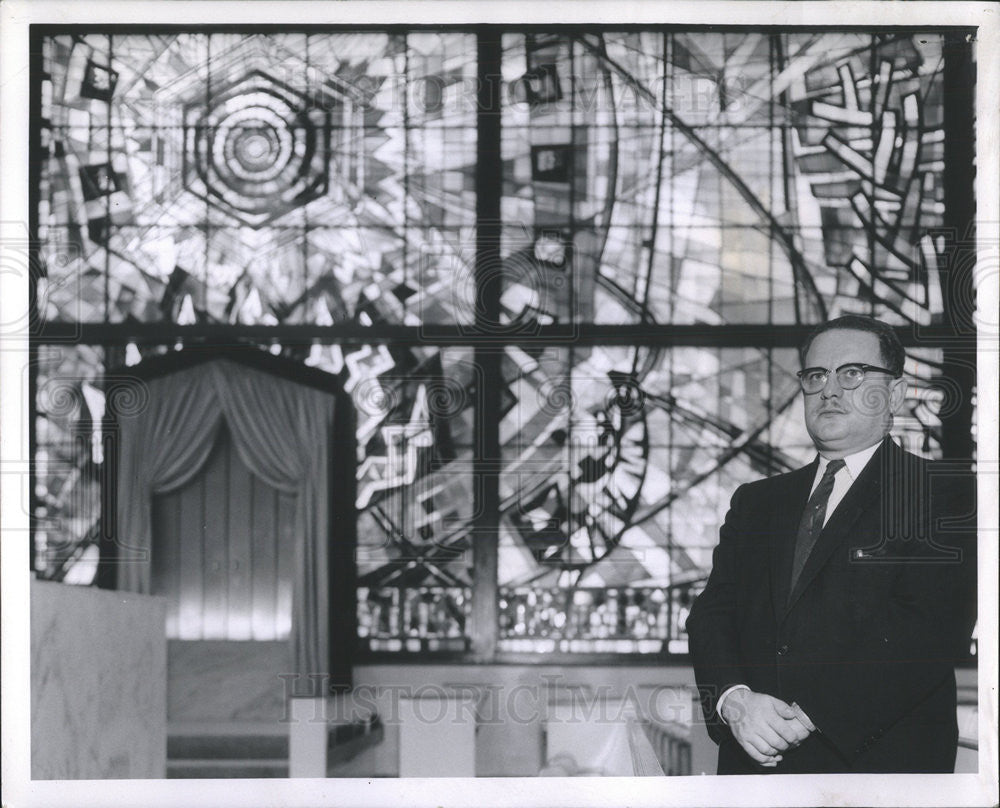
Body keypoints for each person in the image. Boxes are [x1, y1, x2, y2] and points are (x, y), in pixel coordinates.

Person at [686, 315, 977, 774]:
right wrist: (734, 700)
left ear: (895, 395)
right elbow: (713, 612)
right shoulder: (757, 501)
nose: (830, 390)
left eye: (853, 373)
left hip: (879, 769)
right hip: (754, 761)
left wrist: (806, 715)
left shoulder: (944, 492)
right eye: (816, 375)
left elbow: (931, 628)